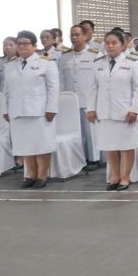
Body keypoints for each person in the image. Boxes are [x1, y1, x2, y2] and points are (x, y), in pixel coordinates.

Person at [87, 30, 138, 191]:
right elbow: (92, 88)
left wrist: (135, 109)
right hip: (104, 111)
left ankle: (125, 177)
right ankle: (114, 176)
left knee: (126, 146)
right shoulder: (98, 63)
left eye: (114, 43)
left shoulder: (132, 63)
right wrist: (91, 109)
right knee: (110, 145)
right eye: (107, 43)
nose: (110, 46)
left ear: (122, 45)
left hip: (125, 111)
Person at [2, 31, 59, 188]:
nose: (22, 47)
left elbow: (53, 88)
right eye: (19, 44)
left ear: (34, 46)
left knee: (41, 144)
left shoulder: (46, 63)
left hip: (39, 110)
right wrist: (5, 109)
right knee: (25, 144)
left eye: (26, 44)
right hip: (17, 110)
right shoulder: (10, 65)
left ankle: (42, 175)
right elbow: (5, 90)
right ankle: (30, 175)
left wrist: (51, 108)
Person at [58, 24, 102, 170]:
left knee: (90, 131)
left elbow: (100, 79)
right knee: (74, 131)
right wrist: (61, 98)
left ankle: (93, 159)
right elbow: (61, 80)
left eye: (77, 35)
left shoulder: (95, 55)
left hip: (88, 99)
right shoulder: (64, 57)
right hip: (70, 101)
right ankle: (79, 158)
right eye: (72, 35)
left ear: (85, 36)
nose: (74, 38)